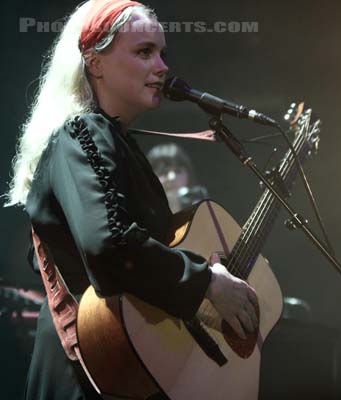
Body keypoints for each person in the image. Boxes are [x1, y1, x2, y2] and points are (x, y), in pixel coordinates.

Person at [5, 1, 258, 398]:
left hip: (121, 370)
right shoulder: (81, 133)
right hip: (87, 373)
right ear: (95, 62)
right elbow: (109, 246)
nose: (162, 67)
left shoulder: (115, 143)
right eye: (144, 52)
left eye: (162, 53)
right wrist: (206, 282)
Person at [146, 143, 209, 213]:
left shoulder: (198, 202)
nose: (172, 177)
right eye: (164, 172)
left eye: (178, 171)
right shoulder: (144, 209)